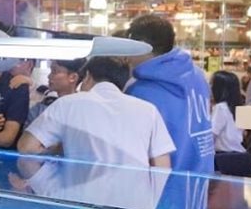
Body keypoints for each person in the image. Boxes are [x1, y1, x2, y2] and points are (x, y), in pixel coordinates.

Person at [17, 57, 174, 168]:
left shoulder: (67, 104)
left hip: (80, 198)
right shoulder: (148, 110)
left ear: (87, 77)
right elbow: (162, 166)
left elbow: (26, 147)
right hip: (133, 201)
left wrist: (59, 149)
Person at [125, 14, 214, 173]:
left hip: (164, 182)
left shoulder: (141, 91)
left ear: (142, 46)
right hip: (201, 177)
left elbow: (135, 153)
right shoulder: (198, 76)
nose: (127, 56)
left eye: (130, 47)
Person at [209, 70, 251, 177]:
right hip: (240, 157)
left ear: (219, 88)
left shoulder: (221, 108)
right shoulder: (236, 108)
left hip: (225, 159)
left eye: (211, 84)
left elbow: (211, 135)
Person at [26, 57, 83, 125]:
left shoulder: (81, 109)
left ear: (73, 77)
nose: (49, 76)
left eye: (54, 71)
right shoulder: (44, 105)